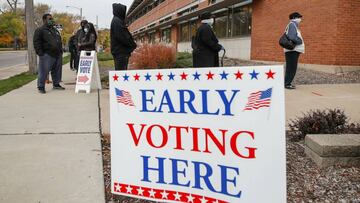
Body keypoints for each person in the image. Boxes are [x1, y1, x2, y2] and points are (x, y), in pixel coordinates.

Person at [33, 13, 65, 94]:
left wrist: (61, 51)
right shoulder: (40, 30)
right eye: (49, 19)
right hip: (47, 55)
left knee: (57, 71)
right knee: (43, 71)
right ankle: (41, 87)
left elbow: (59, 41)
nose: (51, 20)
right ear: (44, 20)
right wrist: (40, 53)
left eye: (52, 18)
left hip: (57, 54)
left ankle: (56, 84)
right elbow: (36, 42)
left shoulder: (55, 30)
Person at [111, 3, 137, 70]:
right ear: (120, 11)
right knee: (121, 73)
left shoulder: (116, 21)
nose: (124, 14)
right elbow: (123, 37)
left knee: (120, 73)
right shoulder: (117, 21)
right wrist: (133, 44)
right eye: (123, 11)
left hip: (120, 51)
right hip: (121, 52)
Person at [284, 12, 305, 89]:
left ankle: (287, 83)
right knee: (291, 68)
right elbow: (292, 37)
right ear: (294, 18)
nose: (300, 19)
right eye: (299, 17)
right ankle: (287, 84)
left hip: (292, 50)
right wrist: (300, 41)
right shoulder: (292, 25)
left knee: (291, 67)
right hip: (292, 51)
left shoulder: (293, 25)